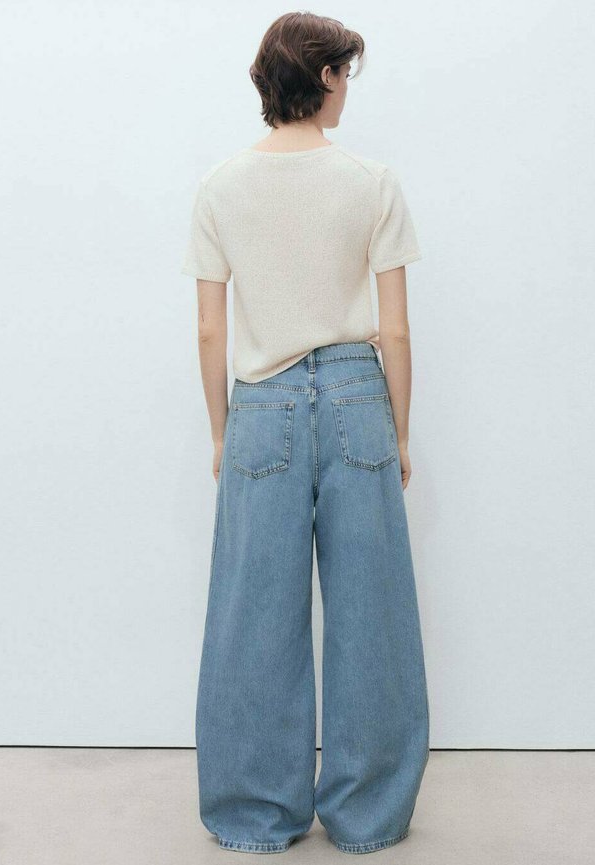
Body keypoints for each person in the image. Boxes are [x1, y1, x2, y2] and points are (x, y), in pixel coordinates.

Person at [181, 10, 430, 856]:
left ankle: (256, 813)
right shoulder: (372, 182)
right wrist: (399, 432)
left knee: (252, 613)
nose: (347, 89)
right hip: (359, 398)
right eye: (344, 74)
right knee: (373, 613)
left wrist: (223, 432)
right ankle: (369, 813)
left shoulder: (220, 188)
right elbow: (395, 330)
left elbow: (210, 330)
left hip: (261, 405)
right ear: (322, 77)